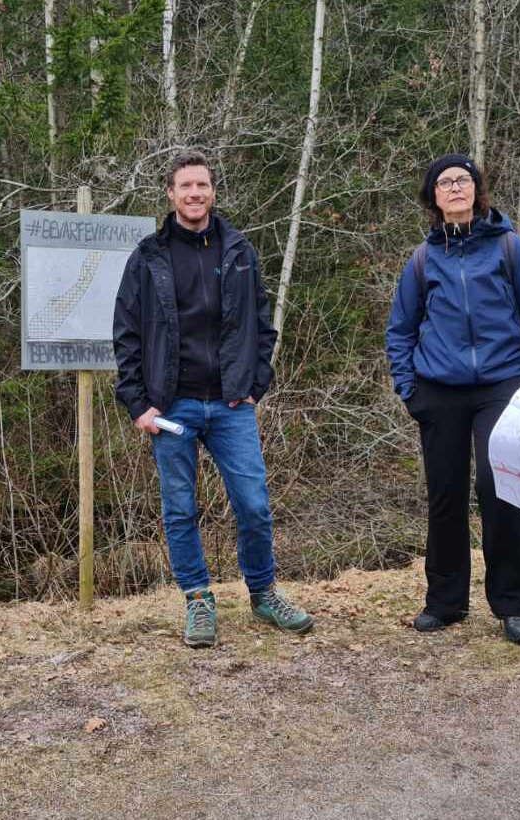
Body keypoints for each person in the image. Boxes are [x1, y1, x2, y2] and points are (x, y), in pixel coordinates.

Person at [112, 150, 314, 648]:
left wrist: (255, 384)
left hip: (230, 404)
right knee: (180, 509)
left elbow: (262, 325)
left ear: (213, 191)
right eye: (185, 186)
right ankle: (198, 600)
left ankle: (263, 594)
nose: (194, 193)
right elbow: (127, 333)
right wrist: (138, 404)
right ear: (170, 194)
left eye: (202, 185)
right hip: (172, 406)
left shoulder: (239, 250)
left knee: (254, 505)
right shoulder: (148, 256)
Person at [385, 153, 520, 645]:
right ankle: (445, 602)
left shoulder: (508, 247)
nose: (455, 188)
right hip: (438, 390)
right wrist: (408, 387)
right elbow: (400, 330)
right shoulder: (422, 259)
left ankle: (513, 604)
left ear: (477, 191)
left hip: (502, 386)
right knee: (446, 494)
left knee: (499, 488)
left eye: (463, 180)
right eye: (445, 183)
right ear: (434, 198)